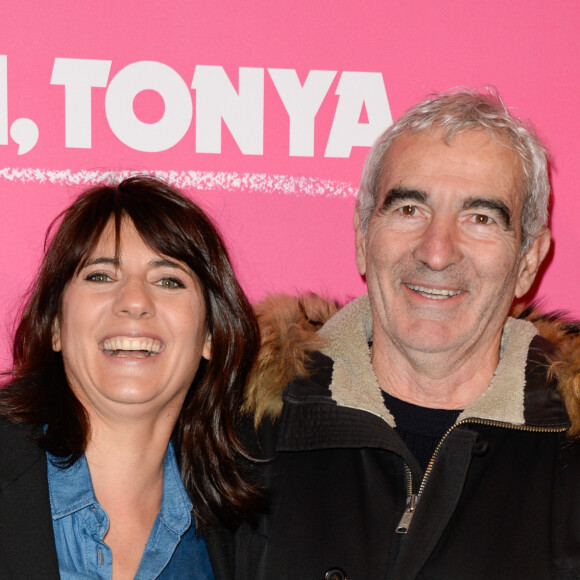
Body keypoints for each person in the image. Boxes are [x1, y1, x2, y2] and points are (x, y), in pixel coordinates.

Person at [230, 89, 580, 579]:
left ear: (527, 262)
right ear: (361, 235)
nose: (437, 252)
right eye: (409, 210)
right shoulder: (239, 432)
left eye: (480, 218)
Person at [0, 176, 261, 579]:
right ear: (54, 325)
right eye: (101, 276)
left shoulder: (248, 537)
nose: (136, 301)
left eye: (169, 280)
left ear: (210, 334)